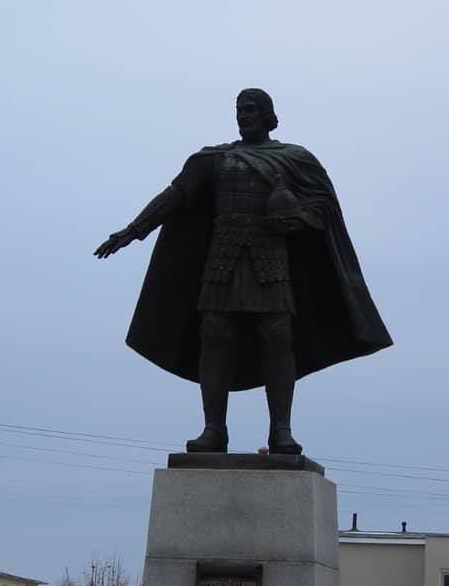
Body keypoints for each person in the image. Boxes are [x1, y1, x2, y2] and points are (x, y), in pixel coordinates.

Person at [95, 89, 391, 455]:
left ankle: (280, 431)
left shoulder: (293, 159)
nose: (244, 115)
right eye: (239, 110)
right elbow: (174, 198)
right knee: (215, 338)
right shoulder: (214, 160)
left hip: (271, 259)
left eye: (251, 110)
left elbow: (323, 206)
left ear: (268, 115)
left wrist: (297, 219)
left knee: (278, 340)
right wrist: (132, 231)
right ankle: (213, 430)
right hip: (222, 260)